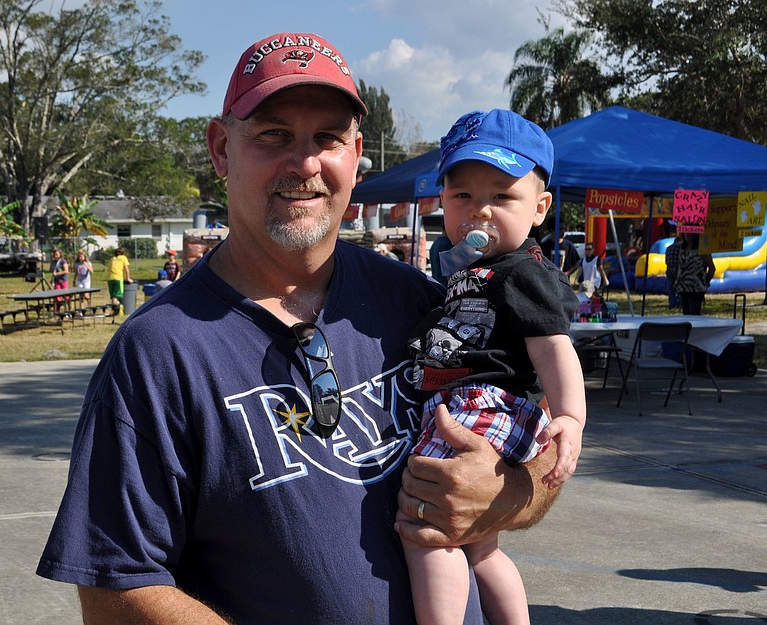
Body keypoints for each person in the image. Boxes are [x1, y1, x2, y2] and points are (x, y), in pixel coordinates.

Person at [37, 32, 560, 625]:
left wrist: (511, 495)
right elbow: (116, 589)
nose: (305, 163)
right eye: (274, 134)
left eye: (328, 138)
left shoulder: (424, 302)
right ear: (221, 149)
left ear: (356, 154)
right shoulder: (159, 352)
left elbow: (545, 437)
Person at [400, 109, 586, 625]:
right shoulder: (469, 269)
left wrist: (570, 417)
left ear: (539, 208)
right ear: (442, 201)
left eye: (501, 196)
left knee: (428, 530)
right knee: (481, 549)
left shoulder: (522, 271)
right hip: (465, 405)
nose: (480, 211)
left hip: (486, 406)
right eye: (463, 196)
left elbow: (554, 347)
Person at [674, 232, 716, 315]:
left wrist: (706, 282)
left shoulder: (702, 250)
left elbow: (712, 268)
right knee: (685, 314)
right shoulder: (681, 248)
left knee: (694, 314)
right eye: (685, 233)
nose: (687, 235)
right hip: (683, 287)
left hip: (696, 287)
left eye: (690, 233)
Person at [105, 246, 132, 310]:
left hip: (110, 279)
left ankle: (115, 309)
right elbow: (126, 269)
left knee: (113, 296)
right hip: (118, 278)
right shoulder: (123, 258)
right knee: (116, 296)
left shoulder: (112, 258)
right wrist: (128, 278)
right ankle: (116, 310)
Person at [664, 233, 683, 309]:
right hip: (677, 268)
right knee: (679, 286)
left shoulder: (668, 248)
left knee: (671, 287)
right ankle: (680, 303)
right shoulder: (680, 248)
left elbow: (666, 260)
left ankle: (672, 303)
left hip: (669, 268)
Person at [50, 248, 69, 312]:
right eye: (54, 254)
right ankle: (58, 310)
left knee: (66, 296)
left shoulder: (63, 261)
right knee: (57, 296)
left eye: (57, 254)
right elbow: (53, 271)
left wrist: (57, 274)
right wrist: (52, 278)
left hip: (63, 280)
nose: (55, 256)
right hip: (56, 281)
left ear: (60, 254)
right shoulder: (53, 262)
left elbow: (66, 271)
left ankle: (68, 307)